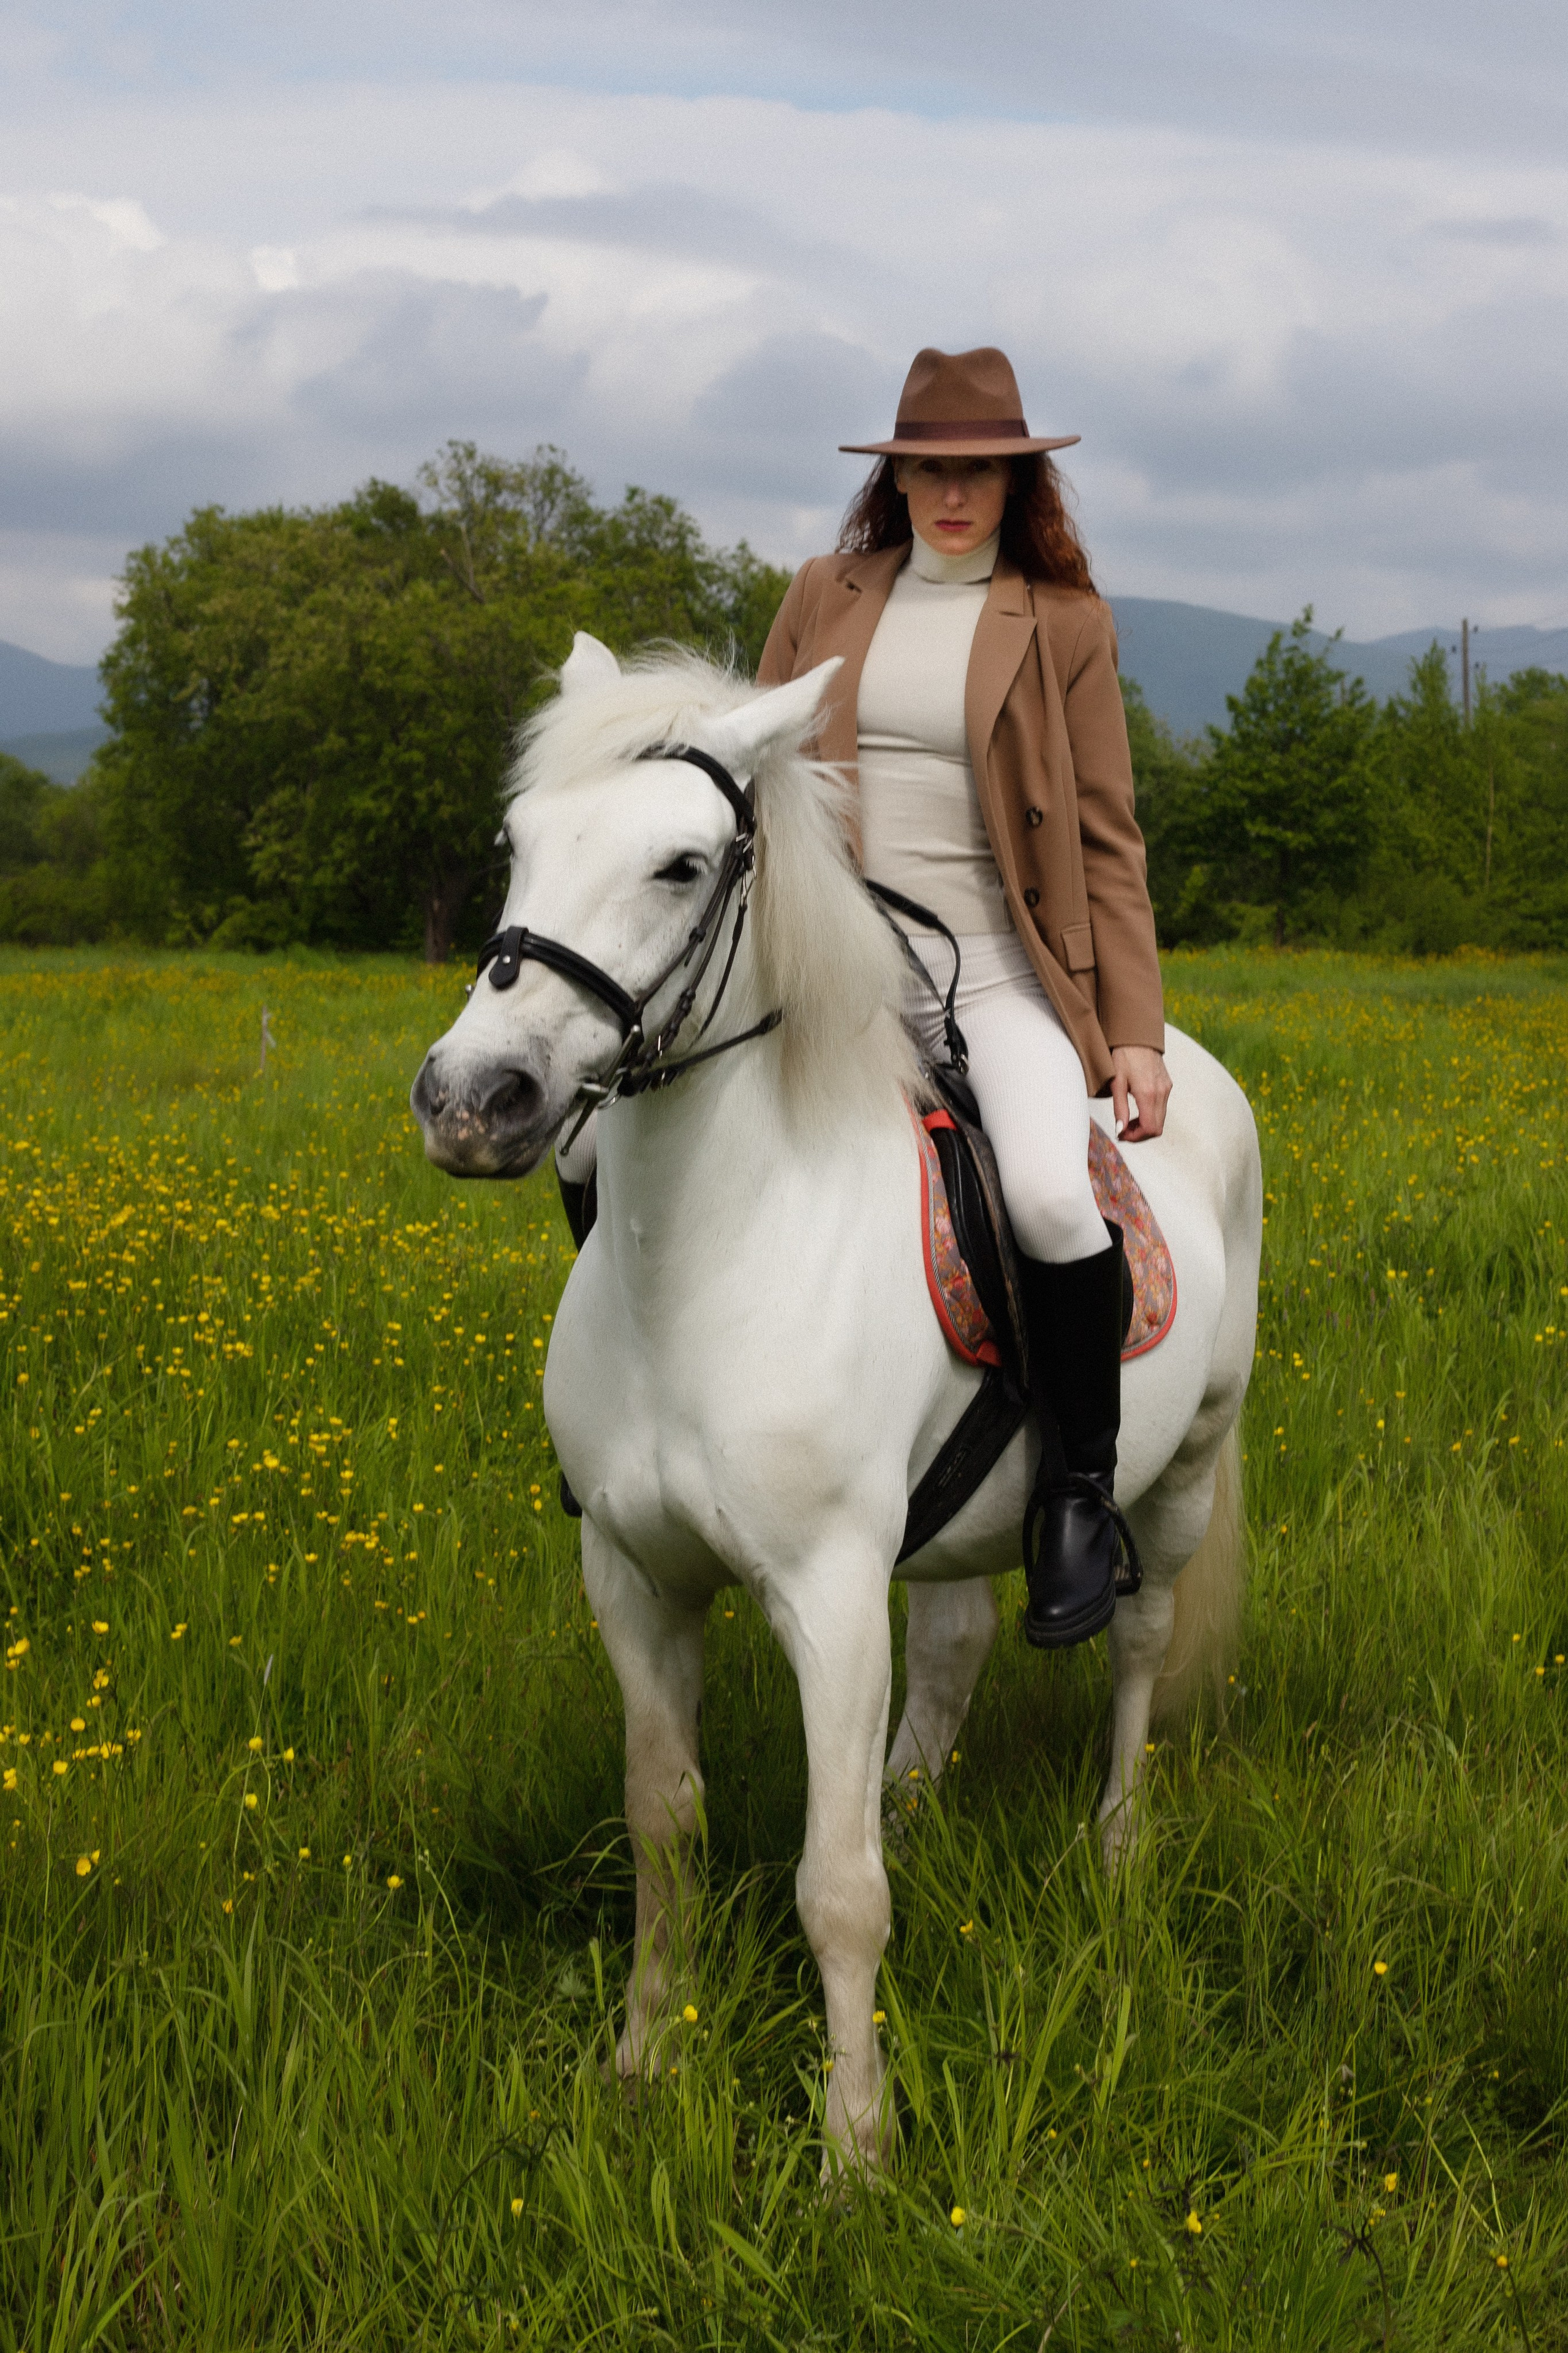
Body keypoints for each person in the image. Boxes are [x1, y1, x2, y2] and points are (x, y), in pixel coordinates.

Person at [755, 345, 1170, 1648]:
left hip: (995, 973)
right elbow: (754, 775)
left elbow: (1105, 837)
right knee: (630, 1126)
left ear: (1013, 480)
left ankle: (1075, 1493)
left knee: (1049, 1194)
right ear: (895, 478)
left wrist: (1136, 1036)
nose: (950, 494)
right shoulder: (823, 594)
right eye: (928, 469)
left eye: (976, 472)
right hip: (832, 970)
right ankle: (636, 1437)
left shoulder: (1060, 621)